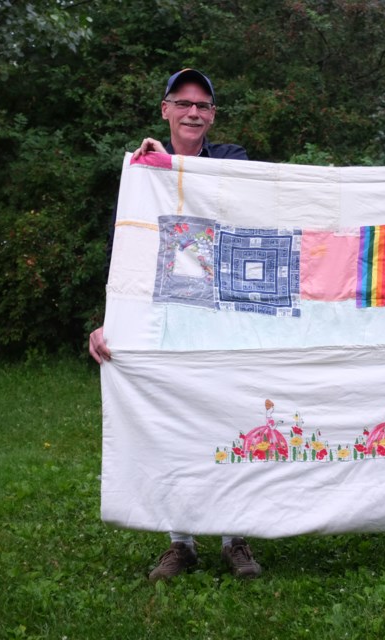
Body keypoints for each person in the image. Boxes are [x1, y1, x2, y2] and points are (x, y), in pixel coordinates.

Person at [88, 68, 261, 582]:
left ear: (212, 115)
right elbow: (130, 252)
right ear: (164, 109)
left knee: (233, 421)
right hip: (167, 320)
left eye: (203, 105)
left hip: (225, 318)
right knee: (172, 428)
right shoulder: (141, 179)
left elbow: (244, 196)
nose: (193, 112)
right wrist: (109, 321)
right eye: (182, 102)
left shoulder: (232, 161)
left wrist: (167, 167)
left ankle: (234, 538)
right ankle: (180, 542)